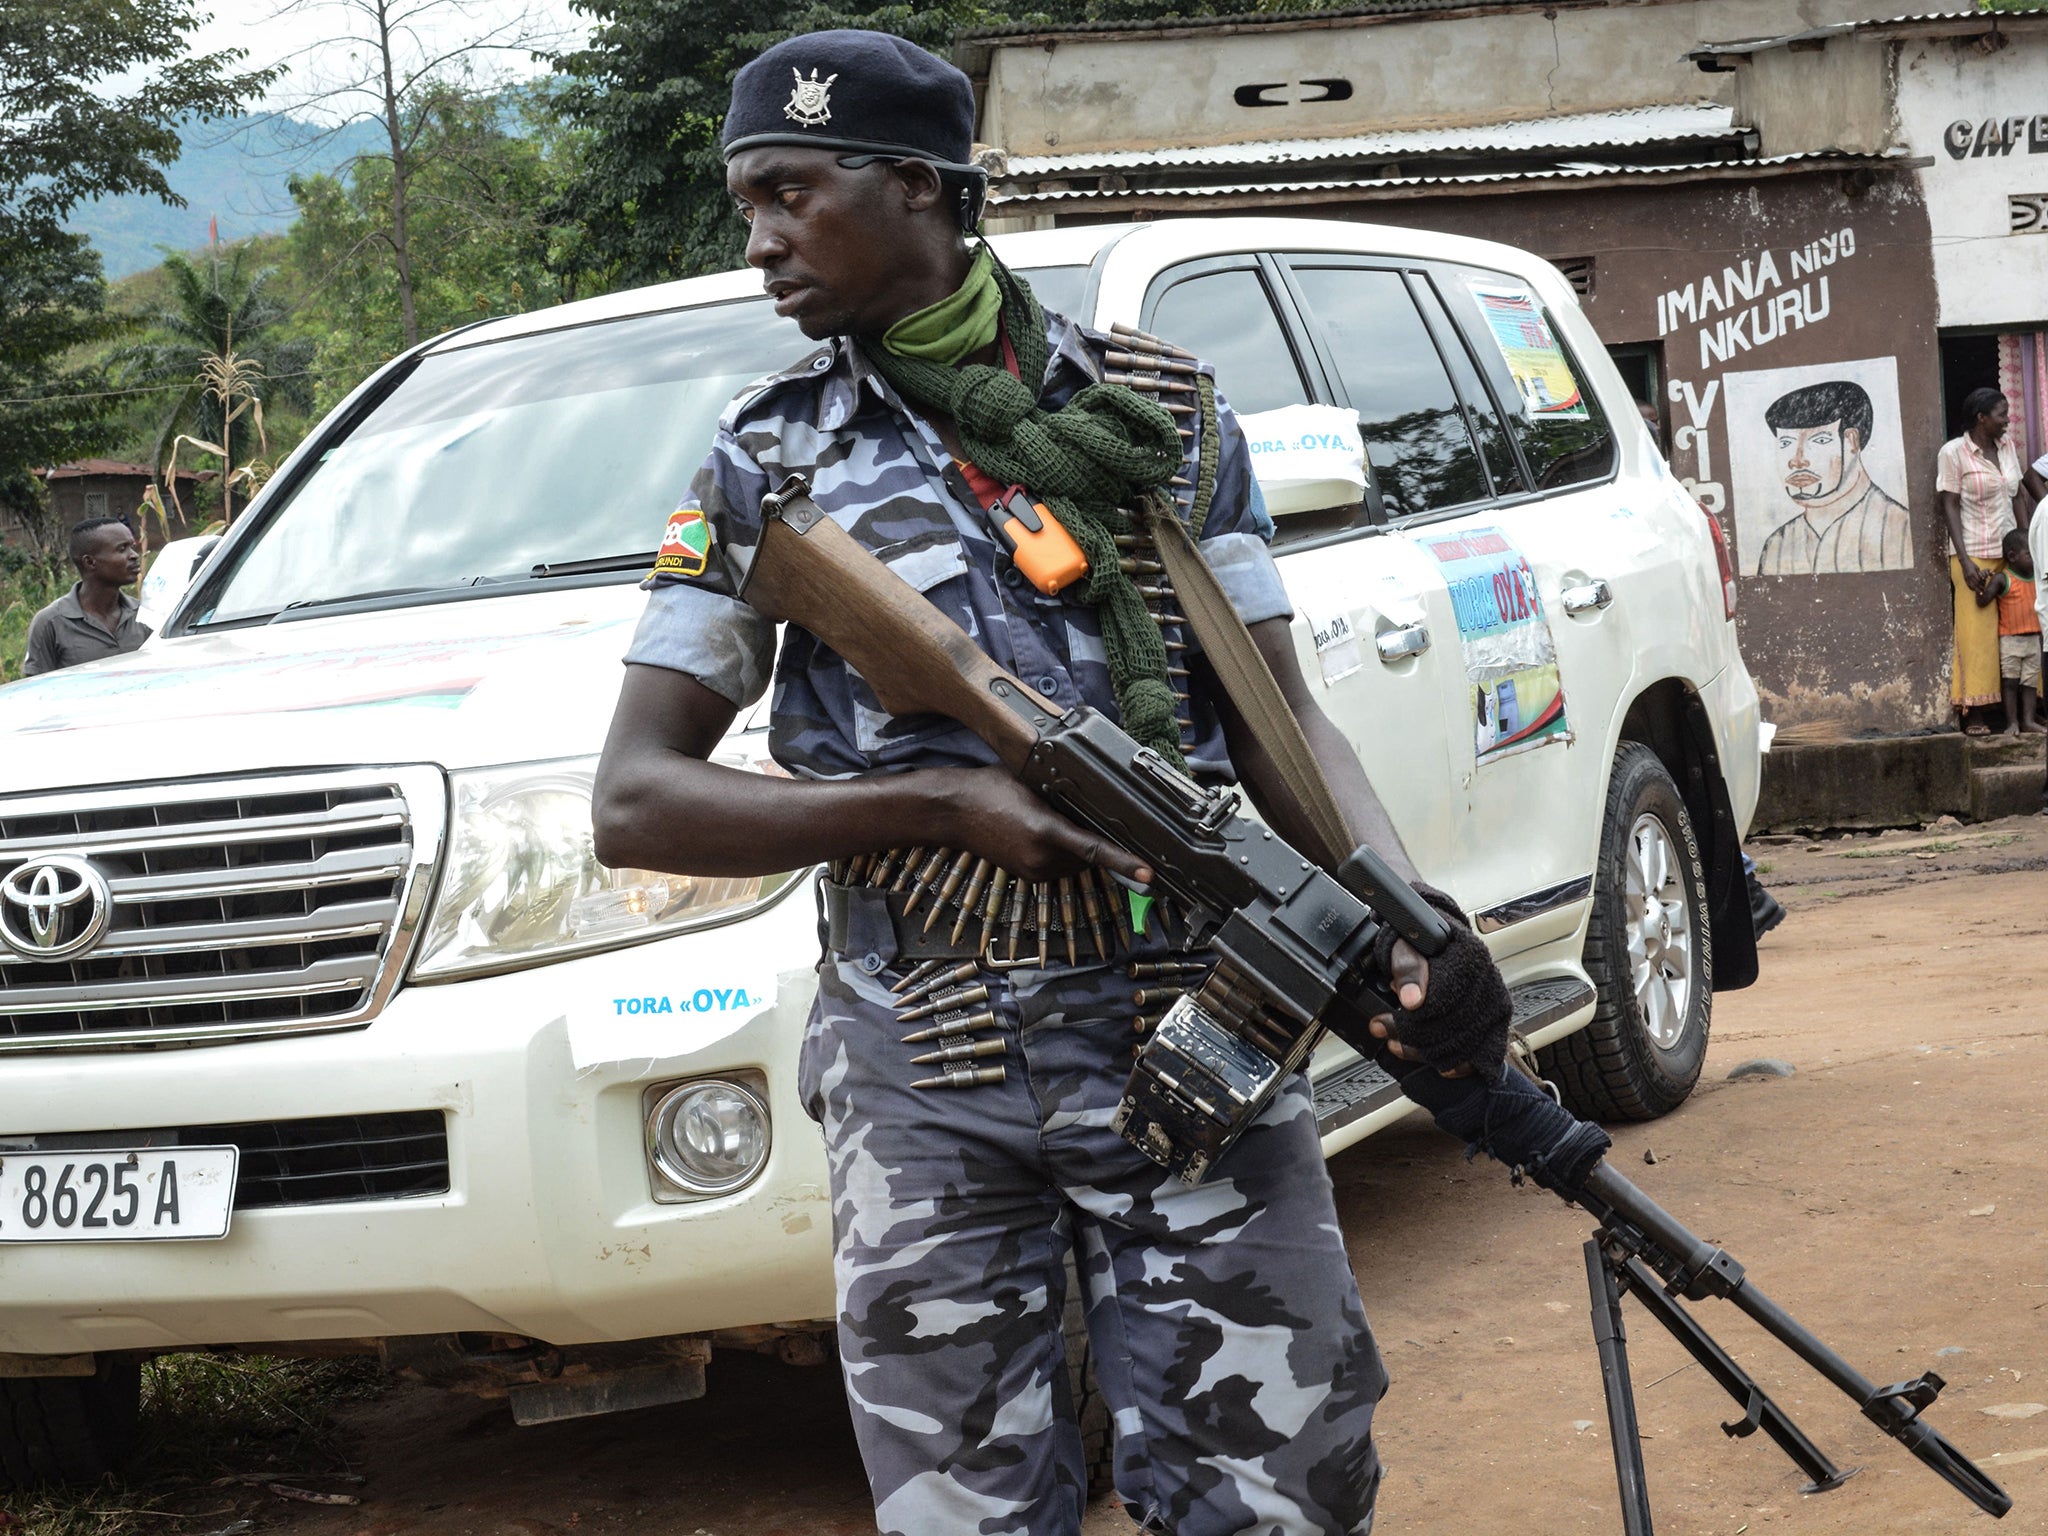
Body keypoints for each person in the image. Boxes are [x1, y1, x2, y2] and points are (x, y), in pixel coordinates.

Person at [592, 31, 1511, 1535]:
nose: (758, 239)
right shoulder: (773, 466)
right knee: (965, 1510)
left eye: (790, 193)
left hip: (1201, 1028)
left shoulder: (1158, 411)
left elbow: (1283, 722)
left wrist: (1408, 916)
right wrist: (937, 809)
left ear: (919, 186)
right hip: (928, 1062)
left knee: (1283, 1489)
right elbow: (638, 799)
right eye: (745, 199)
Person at [1937, 388, 2047, 735]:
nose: (2007, 420)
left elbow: (2015, 494)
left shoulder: (2006, 447)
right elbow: (1949, 505)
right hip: (1974, 552)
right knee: (1979, 632)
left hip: (2011, 553)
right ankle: (1977, 712)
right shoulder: (1953, 452)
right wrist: (1966, 562)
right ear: (1981, 418)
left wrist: (2029, 541)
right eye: (2001, 414)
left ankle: (2029, 710)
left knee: (2025, 624)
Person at [1753, 380, 1911, 576]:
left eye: (1819, 440)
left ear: (1852, 441)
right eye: (1786, 442)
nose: (1797, 460)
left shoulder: (1901, 530)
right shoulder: (1777, 545)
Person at [20, 517, 150, 677]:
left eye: (132, 547)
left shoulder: (145, 615)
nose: (134, 555)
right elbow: (35, 689)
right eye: (122, 549)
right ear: (90, 562)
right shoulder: (51, 623)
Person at [1997, 528, 2043, 734]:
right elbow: (1982, 600)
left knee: (2030, 683)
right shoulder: (2004, 579)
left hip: (2033, 639)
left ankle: (2028, 720)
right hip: (2010, 640)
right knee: (2010, 682)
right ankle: (2012, 723)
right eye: (2029, 554)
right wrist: (1983, 582)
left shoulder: (2037, 578)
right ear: (2012, 557)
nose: (2033, 559)